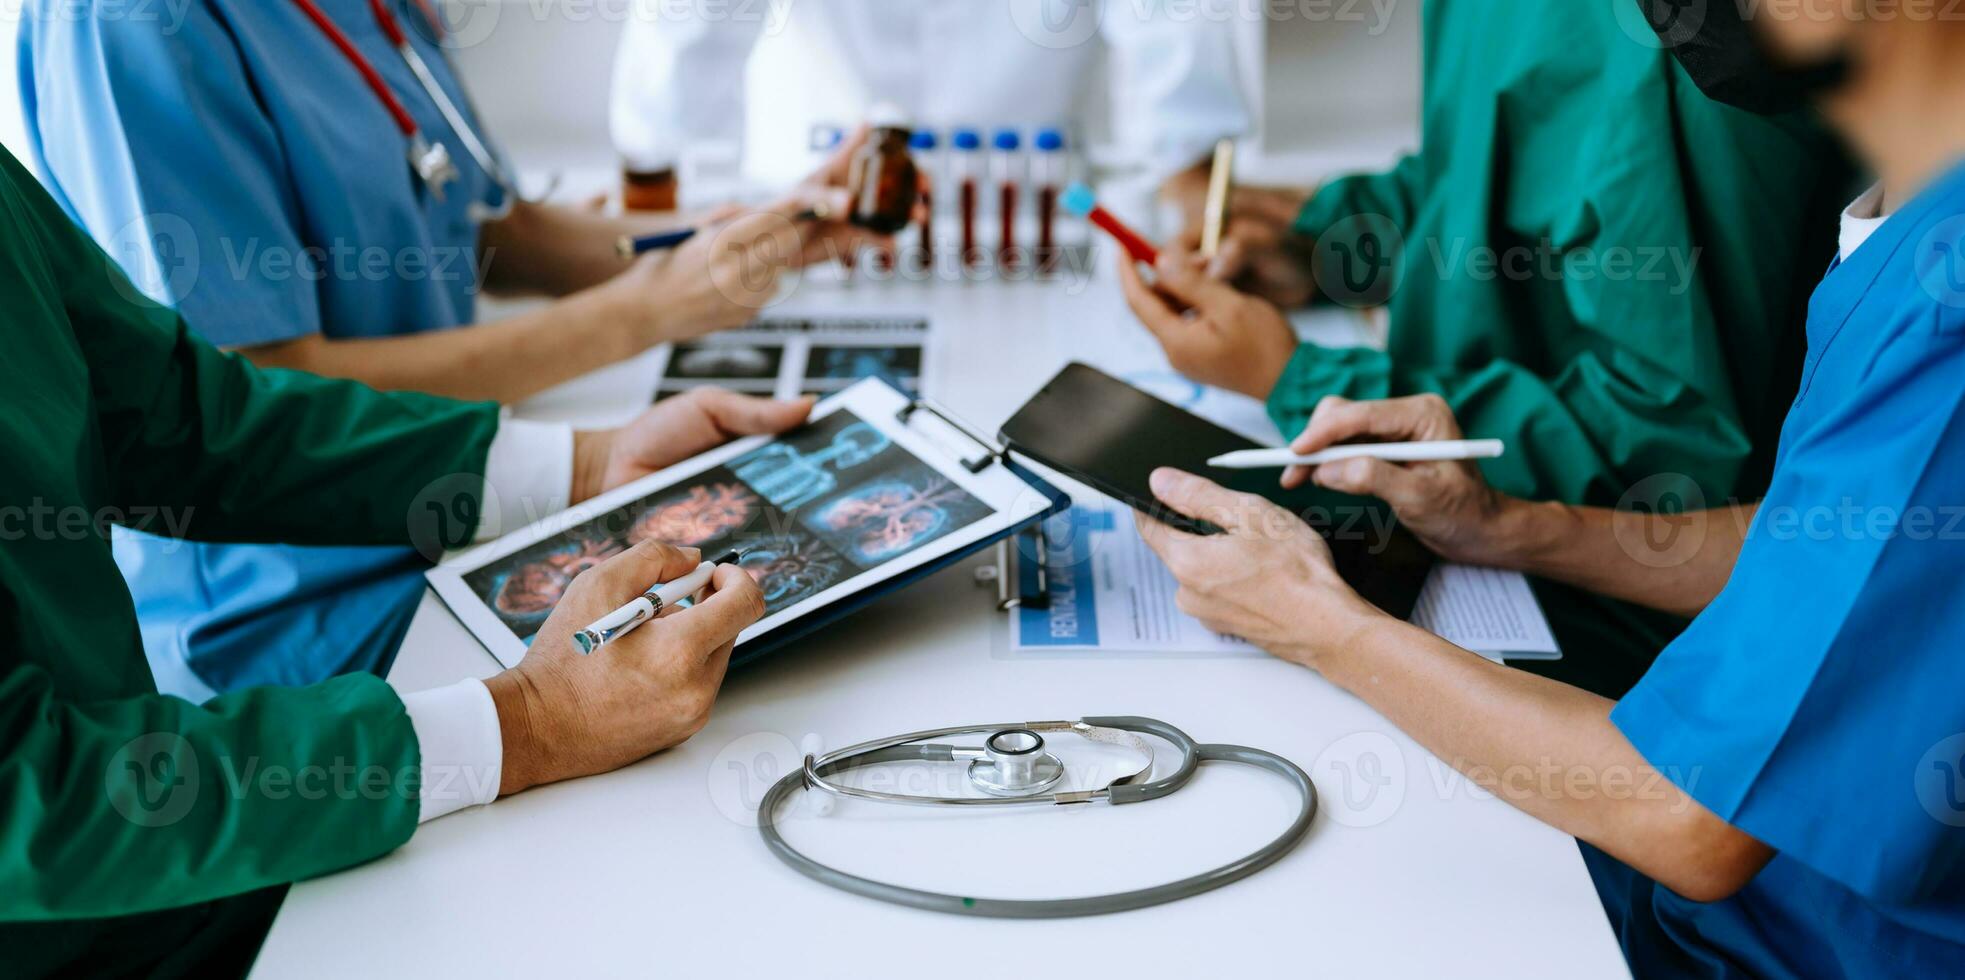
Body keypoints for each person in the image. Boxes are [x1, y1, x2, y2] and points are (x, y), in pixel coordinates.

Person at [1135, 8, 1965, 974]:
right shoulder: (1907, 213)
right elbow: (1829, 549)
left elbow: (1690, 823)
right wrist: (1509, 528)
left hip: (1788, 944)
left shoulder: (1942, 316)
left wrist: (1318, 624)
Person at [0, 139, 800, 976]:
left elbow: (172, 412)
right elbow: (30, 796)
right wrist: (528, 723)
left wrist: (585, 464)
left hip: (172, 863)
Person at [17, 0, 886, 698]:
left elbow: (486, 226)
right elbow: (256, 384)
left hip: (464, 506)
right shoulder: (123, 24)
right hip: (306, 604)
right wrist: (648, 309)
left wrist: (725, 240)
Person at [1115, 0, 1857, 694]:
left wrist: (1296, 375)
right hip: (1476, 537)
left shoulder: (1678, 49)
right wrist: (1321, 247)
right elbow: (1475, 179)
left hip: (1611, 611)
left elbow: (1660, 446)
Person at [610, 0, 1250, 203]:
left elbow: (1171, 19)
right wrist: (647, 174)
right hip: (809, 187)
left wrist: (1193, 178)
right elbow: (685, 20)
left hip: (1030, 192)